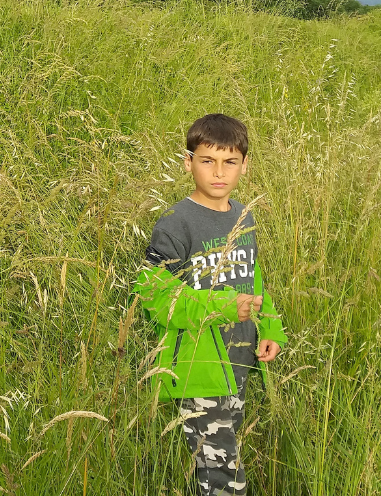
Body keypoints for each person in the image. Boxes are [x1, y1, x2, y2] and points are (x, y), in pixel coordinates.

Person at [134, 114, 287, 495]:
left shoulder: (243, 216)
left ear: (244, 165)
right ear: (189, 162)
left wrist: (268, 328)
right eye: (207, 160)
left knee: (215, 471)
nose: (219, 172)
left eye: (230, 161)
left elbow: (254, 281)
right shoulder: (176, 222)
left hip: (240, 361)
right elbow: (152, 293)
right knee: (224, 482)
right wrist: (220, 306)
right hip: (199, 369)